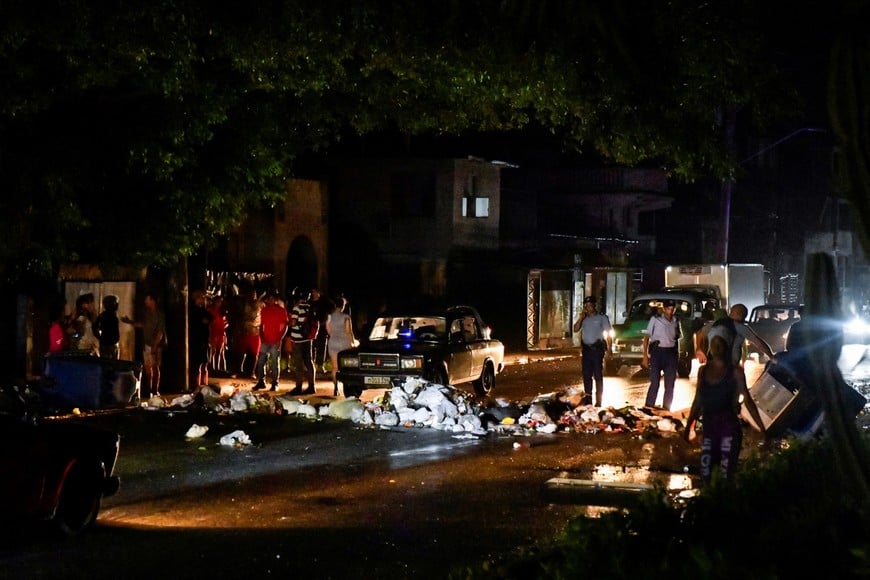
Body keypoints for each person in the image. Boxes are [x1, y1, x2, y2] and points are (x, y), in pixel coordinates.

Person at [684, 335, 766, 482]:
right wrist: (689, 426)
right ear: (710, 349)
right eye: (714, 345)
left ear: (726, 349)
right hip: (710, 428)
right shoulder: (703, 371)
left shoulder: (735, 372)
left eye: (720, 345)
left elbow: (747, 399)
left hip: (728, 428)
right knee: (706, 472)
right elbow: (697, 400)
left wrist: (761, 427)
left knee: (725, 473)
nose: (717, 349)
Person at [694, 303, 776, 367]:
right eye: (744, 315)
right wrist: (772, 357)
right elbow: (759, 343)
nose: (744, 319)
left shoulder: (714, 324)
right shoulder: (740, 327)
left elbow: (699, 333)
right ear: (740, 314)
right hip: (730, 368)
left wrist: (698, 349)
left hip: (712, 366)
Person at [123, 292, 166, 397]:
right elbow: (142, 325)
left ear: (152, 301)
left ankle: (155, 390)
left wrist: (155, 345)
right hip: (146, 343)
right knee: (148, 368)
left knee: (155, 368)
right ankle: (150, 390)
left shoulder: (159, 315)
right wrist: (130, 322)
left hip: (155, 344)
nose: (145, 302)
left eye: (147, 299)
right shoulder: (146, 313)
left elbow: (160, 332)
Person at [572, 295, 613, 407]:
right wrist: (581, 317)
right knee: (586, 375)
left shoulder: (602, 318)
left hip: (597, 349)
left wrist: (610, 349)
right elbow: (575, 329)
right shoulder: (584, 319)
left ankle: (598, 401)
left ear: (594, 305)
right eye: (586, 306)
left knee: (598, 375)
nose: (588, 307)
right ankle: (588, 399)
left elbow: (609, 334)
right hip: (586, 350)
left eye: (590, 305)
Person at [642, 299, 681, 410]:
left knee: (670, 384)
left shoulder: (676, 320)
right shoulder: (655, 319)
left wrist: (678, 355)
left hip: (670, 354)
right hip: (657, 353)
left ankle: (666, 408)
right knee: (655, 382)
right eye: (668, 308)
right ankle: (649, 407)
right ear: (664, 309)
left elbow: (677, 338)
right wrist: (645, 356)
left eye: (672, 308)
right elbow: (646, 338)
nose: (671, 311)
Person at [253, 290, 289, 391]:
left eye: (272, 299)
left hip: (275, 339)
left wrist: (280, 339)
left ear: (276, 300)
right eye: (269, 299)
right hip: (266, 339)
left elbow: (286, 325)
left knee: (274, 362)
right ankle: (261, 381)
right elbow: (261, 325)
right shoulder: (264, 310)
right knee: (261, 361)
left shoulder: (281, 311)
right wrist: (262, 336)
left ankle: (275, 383)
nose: (270, 300)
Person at [288, 288, 318, 395]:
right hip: (307, 338)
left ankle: (299, 387)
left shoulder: (297, 308)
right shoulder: (309, 308)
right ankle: (312, 386)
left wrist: (289, 322)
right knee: (309, 362)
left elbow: (294, 323)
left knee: (299, 364)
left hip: (297, 339)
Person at [326, 295, 357, 396]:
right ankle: (347, 386)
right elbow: (349, 332)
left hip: (333, 342)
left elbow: (328, 330)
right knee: (345, 367)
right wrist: (353, 342)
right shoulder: (346, 317)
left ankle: (335, 388)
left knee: (335, 367)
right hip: (344, 343)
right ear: (343, 306)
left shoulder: (329, 316)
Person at [189, 289, 213, 389]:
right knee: (198, 366)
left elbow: (210, 318)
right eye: (201, 298)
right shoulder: (194, 311)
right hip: (197, 341)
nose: (203, 300)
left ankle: (203, 385)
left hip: (203, 340)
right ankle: (198, 386)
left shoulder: (203, 310)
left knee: (203, 365)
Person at [310, 288, 332, 374]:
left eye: (315, 292)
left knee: (322, 347)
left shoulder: (324, 303)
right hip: (312, 328)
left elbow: (329, 311)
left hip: (322, 328)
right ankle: (311, 365)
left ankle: (320, 365)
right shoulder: (310, 303)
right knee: (312, 347)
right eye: (313, 292)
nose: (313, 293)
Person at [94, 294, 122, 359]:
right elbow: (95, 327)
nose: (117, 305)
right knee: (107, 365)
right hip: (107, 345)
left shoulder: (112, 315)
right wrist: (101, 338)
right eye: (115, 303)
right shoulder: (104, 316)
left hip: (113, 344)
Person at [208, 294, 229, 374]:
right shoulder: (210, 310)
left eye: (220, 302)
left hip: (221, 332)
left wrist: (225, 325)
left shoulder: (222, 312)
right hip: (213, 332)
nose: (219, 303)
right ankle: (212, 368)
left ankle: (217, 368)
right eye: (218, 301)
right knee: (213, 351)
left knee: (219, 351)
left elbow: (226, 322)